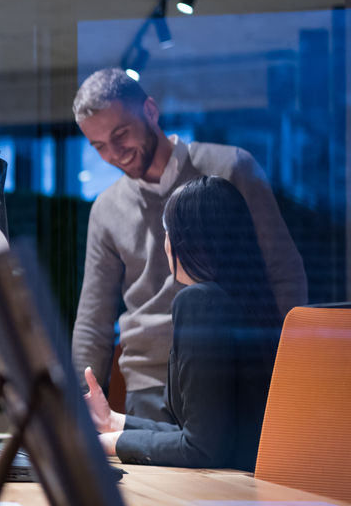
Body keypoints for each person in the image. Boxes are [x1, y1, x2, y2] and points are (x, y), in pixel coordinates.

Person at [70, 67, 305, 423]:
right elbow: (93, 317)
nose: (115, 154)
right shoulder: (106, 208)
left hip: (230, 375)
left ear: (150, 111)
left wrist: (289, 373)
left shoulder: (230, 169)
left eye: (121, 134)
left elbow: (283, 271)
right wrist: (80, 401)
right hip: (147, 385)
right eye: (99, 146)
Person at [83, 176, 282, 471]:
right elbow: (207, 435)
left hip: (229, 495)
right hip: (252, 487)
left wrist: (108, 444)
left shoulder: (199, 302)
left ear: (183, 242)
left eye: (168, 232)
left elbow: (200, 448)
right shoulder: (249, 304)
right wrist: (113, 422)